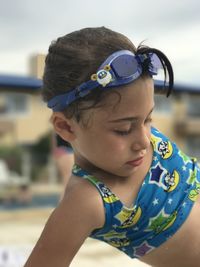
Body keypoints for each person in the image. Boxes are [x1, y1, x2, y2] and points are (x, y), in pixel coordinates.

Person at [24, 27, 200, 267]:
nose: (144, 140)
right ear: (66, 127)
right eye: (123, 130)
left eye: (148, 119)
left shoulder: (135, 135)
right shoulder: (87, 200)